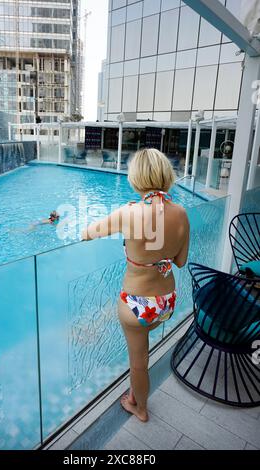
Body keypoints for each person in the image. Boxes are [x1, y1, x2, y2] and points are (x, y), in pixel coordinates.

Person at [82, 148, 190, 423]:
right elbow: (179, 261)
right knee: (143, 352)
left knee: (138, 363)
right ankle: (133, 399)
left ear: (136, 177)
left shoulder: (128, 213)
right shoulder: (181, 215)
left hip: (136, 305)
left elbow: (87, 234)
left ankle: (139, 407)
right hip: (166, 302)